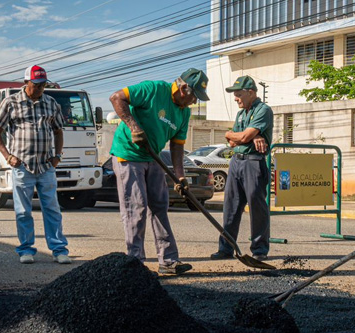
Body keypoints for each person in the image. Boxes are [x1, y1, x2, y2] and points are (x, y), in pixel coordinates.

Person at [109, 68, 209, 275]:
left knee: (160, 206)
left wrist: (179, 176)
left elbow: (177, 145)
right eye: (194, 97)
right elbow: (116, 98)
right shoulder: (153, 89)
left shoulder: (184, 112)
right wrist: (134, 127)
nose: (194, 103)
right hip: (128, 154)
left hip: (152, 155)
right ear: (183, 88)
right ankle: (134, 264)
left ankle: (168, 260)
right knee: (136, 208)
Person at [0, 65, 71, 265]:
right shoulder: (11, 103)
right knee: (23, 211)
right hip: (22, 167)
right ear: (26, 83)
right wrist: (8, 156)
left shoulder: (51, 103)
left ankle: (59, 249)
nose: (40, 88)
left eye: (43, 84)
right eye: (36, 84)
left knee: (52, 209)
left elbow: (58, 131)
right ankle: (26, 249)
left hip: (46, 167)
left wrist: (58, 156)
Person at [210, 76, 273, 262]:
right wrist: (245, 136)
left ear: (251, 92)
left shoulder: (264, 110)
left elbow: (242, 137)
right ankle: (226, 248)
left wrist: (240, 135)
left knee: (257, 206)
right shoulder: (241, 114)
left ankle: (259, 250)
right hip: (236, 161)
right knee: (230, 207)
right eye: (235, 95)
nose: (236, 98)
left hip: (253, 162)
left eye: (239, 95)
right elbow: (231, 141)